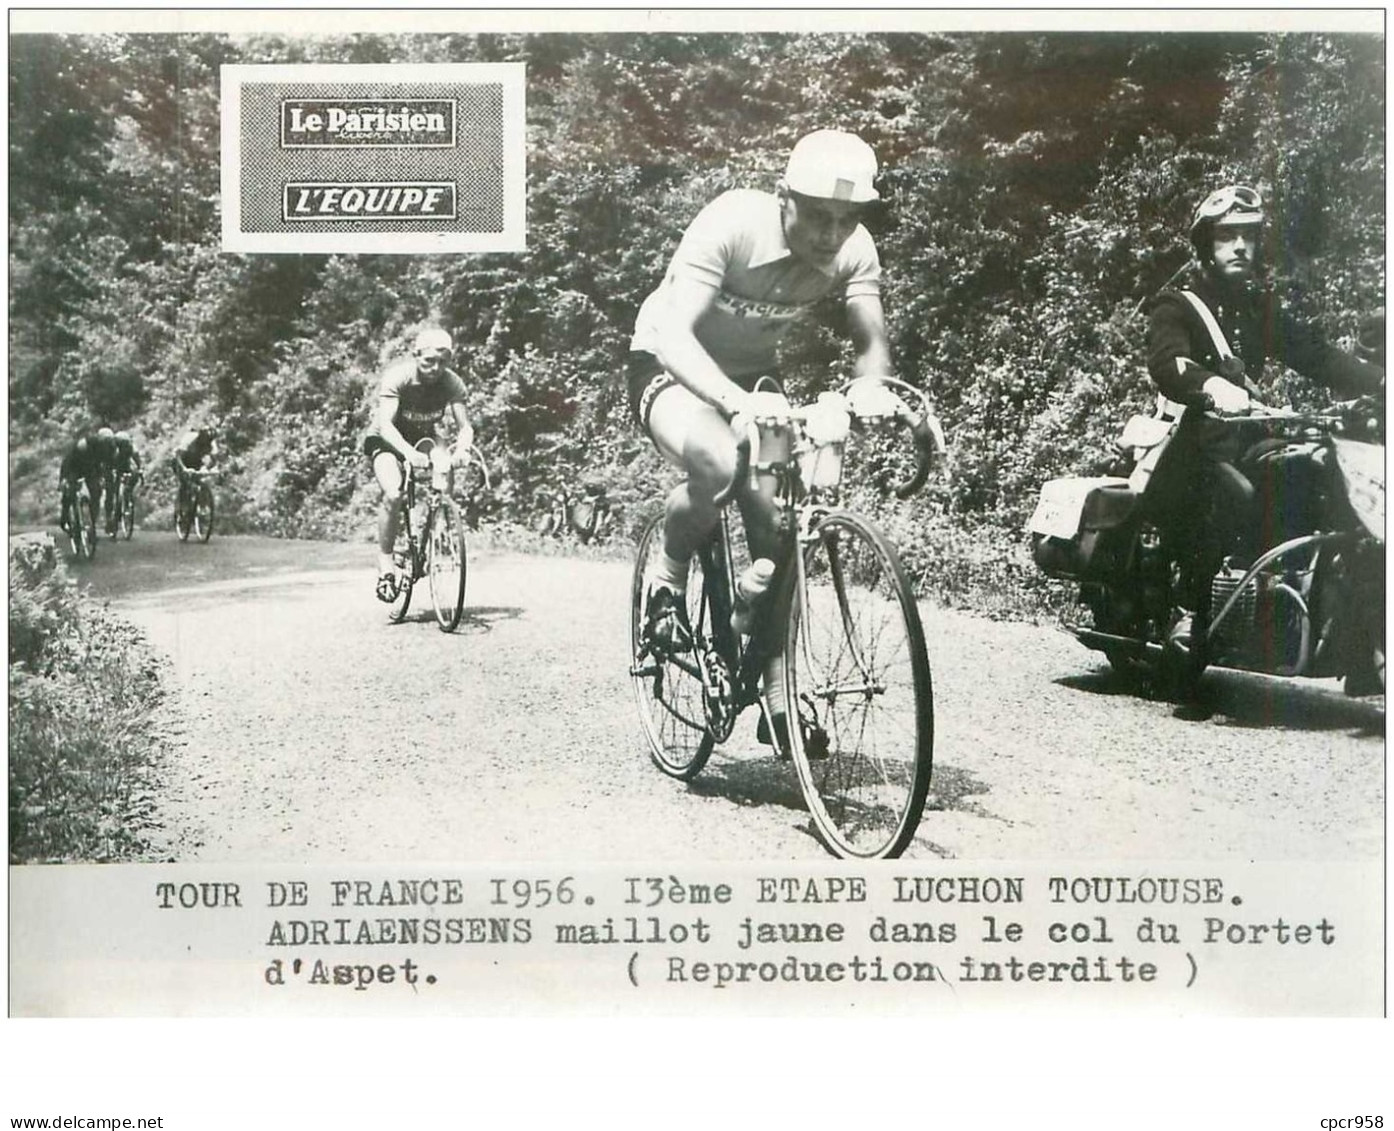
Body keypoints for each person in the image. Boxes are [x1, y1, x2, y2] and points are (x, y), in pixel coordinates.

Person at [628, 128, 944, 748]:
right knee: (719, 466)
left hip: (752, 378)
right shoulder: (731, 224)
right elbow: (674, 334)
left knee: (781, 523)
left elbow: (870, 341)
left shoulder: (855, 250)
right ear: (783, 197)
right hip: (668, 362)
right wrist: (735, 405)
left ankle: (777, 695)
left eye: (847, 220)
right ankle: (666, 582)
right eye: (819, 217)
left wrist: (875, 391)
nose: (832, 236)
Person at [1145, 183, 1383, 690]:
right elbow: (1168, 361)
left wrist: (1380, 381)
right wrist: (1209, 386)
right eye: (1227, 236)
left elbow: (1317, 354)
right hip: (1196, 443)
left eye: (1248, 238)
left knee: (1329, 487)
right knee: (1228, 492)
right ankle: (1190, 613)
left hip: (1250, 437)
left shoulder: (1258, 308)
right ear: (1206, 244)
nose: (1239, 248)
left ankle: (1359, 640)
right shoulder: (1178, 305)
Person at [363, 325, 476, 601]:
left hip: (424, 437)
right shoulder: (398, 377)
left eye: (442, 361)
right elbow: (386, 425)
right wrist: (406, 452)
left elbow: (465, 427)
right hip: (387, 440)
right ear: (416, 356)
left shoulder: (452, 383)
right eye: (428, 361)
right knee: (394, 493)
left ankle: (437, 533)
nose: (435, 368)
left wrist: (463, 448)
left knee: (445, 464)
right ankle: (386, 562)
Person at [58, 431, 111, 536]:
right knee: (70, 491)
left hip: (90, 470)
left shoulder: (103, 448)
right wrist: (64, 479)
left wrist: (102, 477)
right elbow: (67, 462)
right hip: (74, 468)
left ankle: (91, 522)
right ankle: (66, 518)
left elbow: (102, 464)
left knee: (96, 491)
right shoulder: (81, 446)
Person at [170, 422, 218, 521]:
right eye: (204, 440)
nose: (206, 443)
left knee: (203, 482)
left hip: (196, 461)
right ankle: (182, 507)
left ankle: (202, 505)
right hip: (181, 461)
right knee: (185, 482)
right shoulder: (190, 439)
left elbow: (214, 460)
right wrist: (184, 468)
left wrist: (208, 468)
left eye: (208, 441)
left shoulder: (211, 443)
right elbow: (178, 455)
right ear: (200, 436)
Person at [106, 429, 143, 532]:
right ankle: (114, 515)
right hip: (115, 468)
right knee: (116, 491)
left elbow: (136, 459)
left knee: (129, 483)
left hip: (126, 467)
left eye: (125, 443)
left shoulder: (131, 447)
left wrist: (140, 470)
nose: (124, 445)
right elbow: (109, 463)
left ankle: (127, 499)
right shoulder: (113, 448)